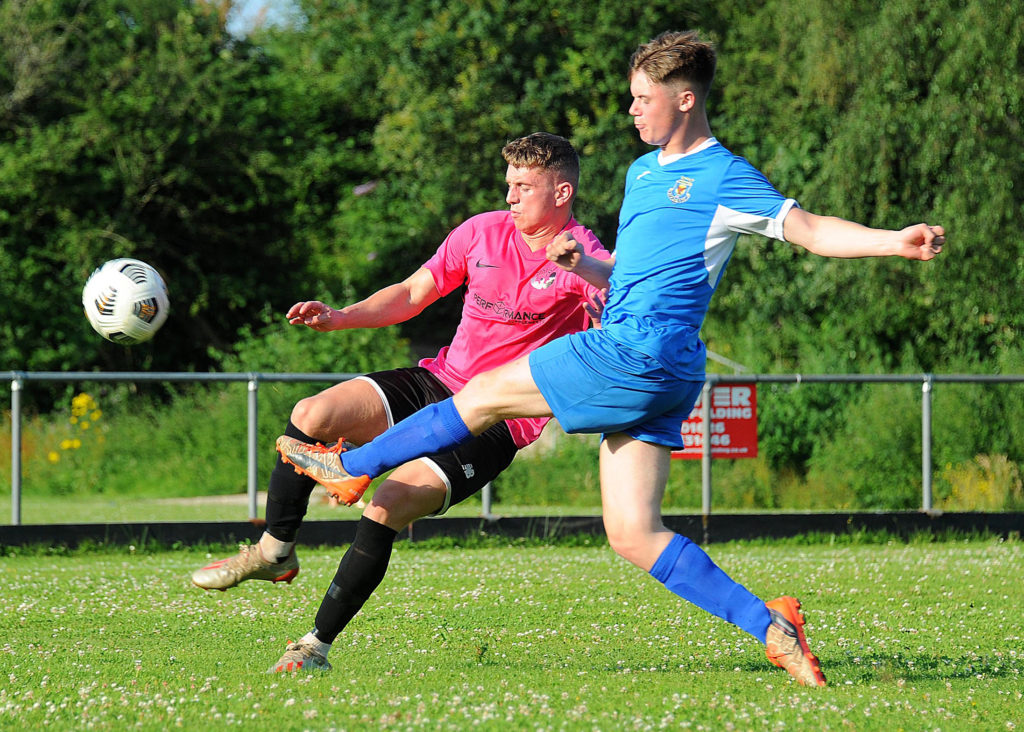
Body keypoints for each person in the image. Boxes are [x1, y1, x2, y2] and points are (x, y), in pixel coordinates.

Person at [277, 30, 946, 687]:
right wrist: (586, 263)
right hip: (670, 373)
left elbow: (807, 229)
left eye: (641, 96)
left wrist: (895, 241)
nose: (632, 108)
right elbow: (632, 271)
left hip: (635, 351)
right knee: (632, 531)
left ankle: (350, 467)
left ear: (684, 100)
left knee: (478, 397)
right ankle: (770, 626)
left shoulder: (724, 175)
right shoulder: (641, 173)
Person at [191, 131, 610, 673]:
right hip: (440, 381)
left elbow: (614, 324)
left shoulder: (585, 255)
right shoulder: (481, 232)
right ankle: (274, 551)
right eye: (507, 184)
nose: (509, 198)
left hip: (500, 421)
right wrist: (341, 315)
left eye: (523, 187)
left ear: (561, 193)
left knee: (384, 505)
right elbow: (415, 292)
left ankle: (313, 648)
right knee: (310, 416)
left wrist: (591, 287)